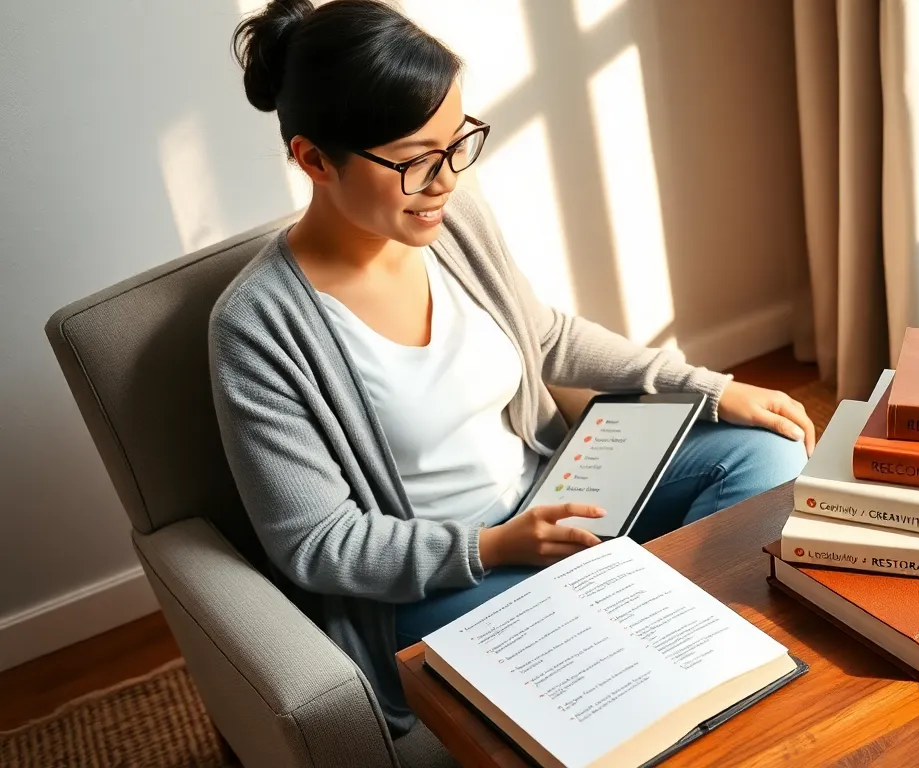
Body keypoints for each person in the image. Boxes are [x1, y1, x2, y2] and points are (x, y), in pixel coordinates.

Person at [213, 0, 814, 736]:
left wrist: (711, 388)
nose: (446, 181)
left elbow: (545, 336)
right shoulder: (257, 326)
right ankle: (663, 646)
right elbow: (316, 540)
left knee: (767, 448)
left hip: (551, 495)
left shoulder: (452, 221)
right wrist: (494, 545)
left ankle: (676, 639)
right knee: (609, 681)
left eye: (458, 143)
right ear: (314, 160)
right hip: (441, 578)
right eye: (415, 161)